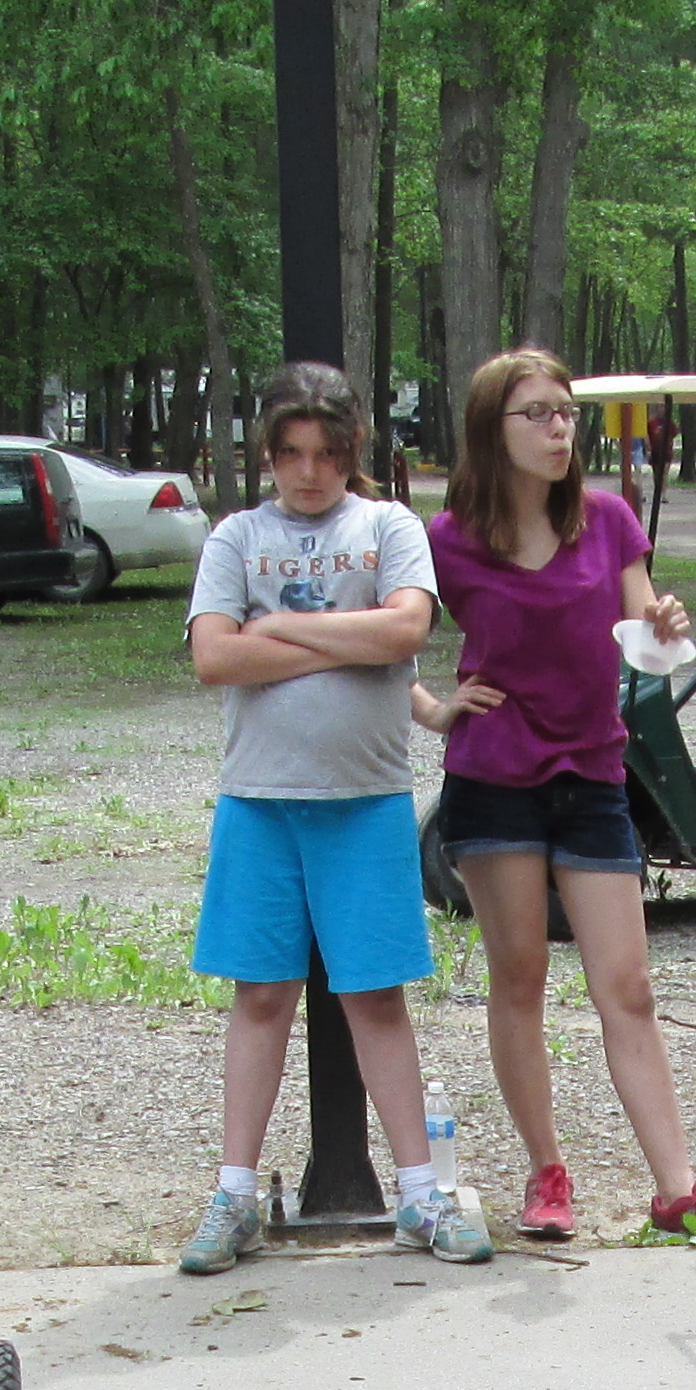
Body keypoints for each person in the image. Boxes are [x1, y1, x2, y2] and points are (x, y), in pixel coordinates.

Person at [417, 344, 696, 1248]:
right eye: (537, 413)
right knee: (520, 978)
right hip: (494, 778)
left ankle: (677, 1190)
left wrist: (665, 622)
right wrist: (433, 709)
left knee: (629, 986)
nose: (558, 429)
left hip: (592, 774)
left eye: (566, 413)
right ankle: (547, 1173)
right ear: (491, 430)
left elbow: (645, 630)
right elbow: (388, 638)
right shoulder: (447, 538)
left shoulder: (608, 520)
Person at [177, 359, 487, 1272]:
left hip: (365, 803)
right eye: (291, 454)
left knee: (374, 995)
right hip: (261, 803)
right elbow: (214, 658)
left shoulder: (387, 527)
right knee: (261, 994)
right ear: (268, 455)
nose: (308, 472)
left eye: (326, 453)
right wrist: (346, 643)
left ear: (352, 452)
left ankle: (420, 1194)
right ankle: (234, 1194)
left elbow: (405, 630)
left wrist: (274, 629)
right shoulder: (236, 537)